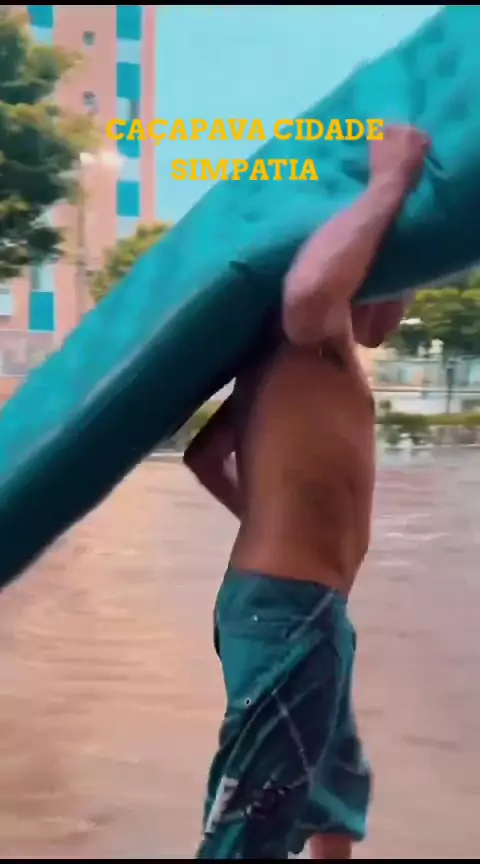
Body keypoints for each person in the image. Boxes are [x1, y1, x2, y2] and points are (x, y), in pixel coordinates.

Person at [183, 125, 430, 860]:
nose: (399, 304)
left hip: (305, 607)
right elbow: (309, 293)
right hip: (286, 607)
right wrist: (391, 183)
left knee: (332, 792)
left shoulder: (295, 361)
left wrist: (274, 516)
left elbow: (205, 456)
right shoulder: (310, 336)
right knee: (251, 824)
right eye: (397, 280)